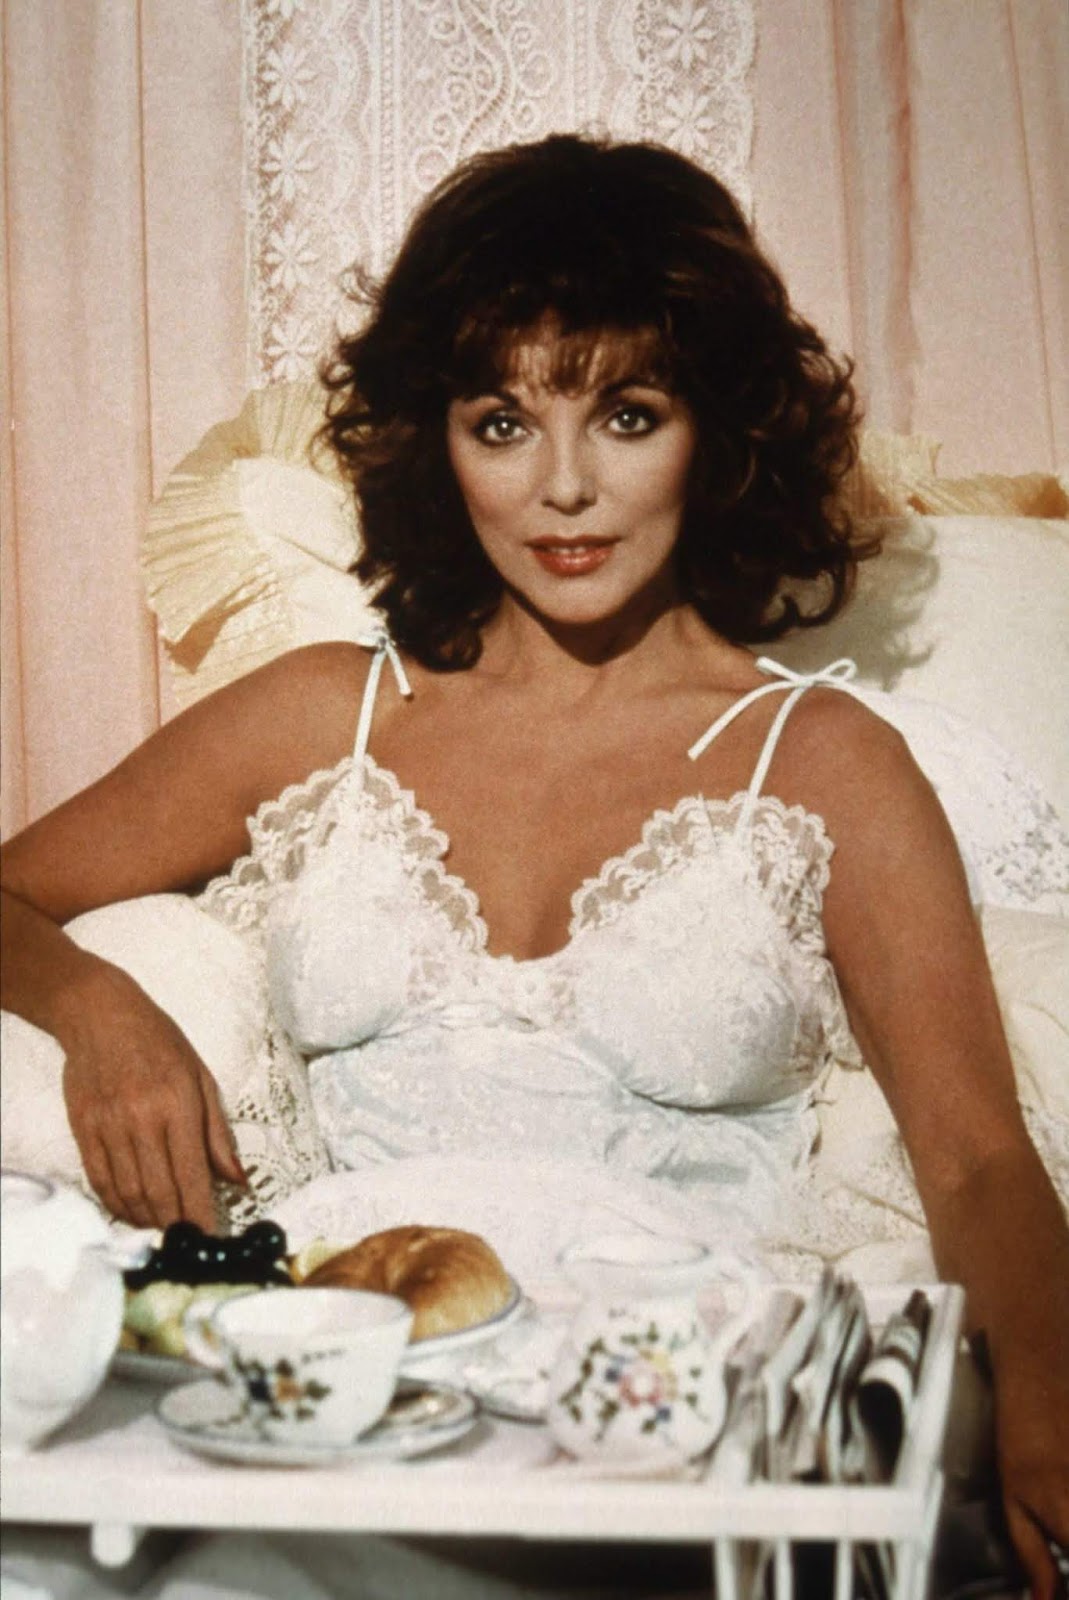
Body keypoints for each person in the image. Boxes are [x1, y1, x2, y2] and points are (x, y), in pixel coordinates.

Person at [1, 133, 1066, 1594]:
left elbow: (976, 1157)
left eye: (625, 415)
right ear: (438, 444)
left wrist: (1047, 1423)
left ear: (714, 429)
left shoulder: (825, 762)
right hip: (340, 1431)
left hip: (672, 1457)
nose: (563, 487)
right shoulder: (327, 712)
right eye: (502, 423)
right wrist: (98, 1009)